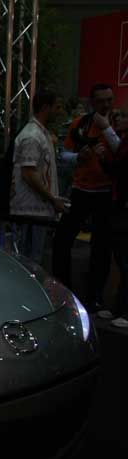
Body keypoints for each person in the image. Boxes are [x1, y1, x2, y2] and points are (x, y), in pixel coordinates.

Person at [52, 83, 116, 310]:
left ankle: (95, 296)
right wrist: (80, 156)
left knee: (102, 247)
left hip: (106, 193)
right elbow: (64, 156)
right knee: (62, 241)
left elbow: (121, 152)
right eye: (101, 101)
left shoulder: (117, 123)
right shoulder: (80, 124)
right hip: (81, 190)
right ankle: (63, 290)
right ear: (93, 102)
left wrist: (107, 130)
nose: (106, 104)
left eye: (109, 100)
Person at [9, 89, 66, 264]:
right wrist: (52, 199)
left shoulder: (40, 134)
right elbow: (28, 174)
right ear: (45, 108)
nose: (59, 111)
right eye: (57, 107)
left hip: (36, 209)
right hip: (31, 210)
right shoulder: (32, 136)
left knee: (32, 258)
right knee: (29, 261)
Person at [103, 102, 128, 327]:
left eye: (122, 116)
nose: (117, 119)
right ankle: (118, 308)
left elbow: (120, 172)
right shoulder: (123, 143)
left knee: (125, 260)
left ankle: (124, 311)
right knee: (121, 260)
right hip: (119, 207)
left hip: (124, 210)